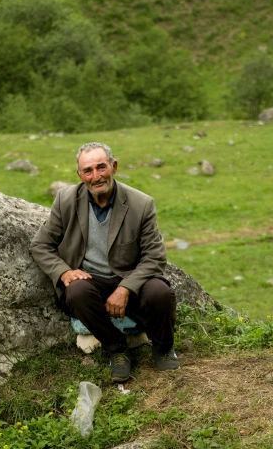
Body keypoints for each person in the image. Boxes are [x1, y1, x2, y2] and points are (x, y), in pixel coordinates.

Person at [31, 142, 179, 382]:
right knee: (76, 291)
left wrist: (125, 288)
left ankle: (163, 347)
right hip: (92, 281)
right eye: (88, 171)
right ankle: (117, 349)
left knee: (159, 292)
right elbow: (40, 245)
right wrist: (63, 272)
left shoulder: (141, 204)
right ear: (80, 175)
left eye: (102, 167)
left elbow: (155, 257)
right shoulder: (65, 200)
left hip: (129, 279)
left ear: (114, 166)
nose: (96, 176)